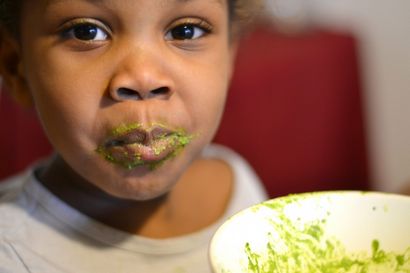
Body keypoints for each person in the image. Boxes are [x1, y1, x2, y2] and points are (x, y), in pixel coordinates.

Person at [0, 0, 267, 272]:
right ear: (15, 68)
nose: (144, 79)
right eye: (86, 32)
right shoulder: (10, 255)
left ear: (229, 55)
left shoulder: (239, 186)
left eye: (185, 31)